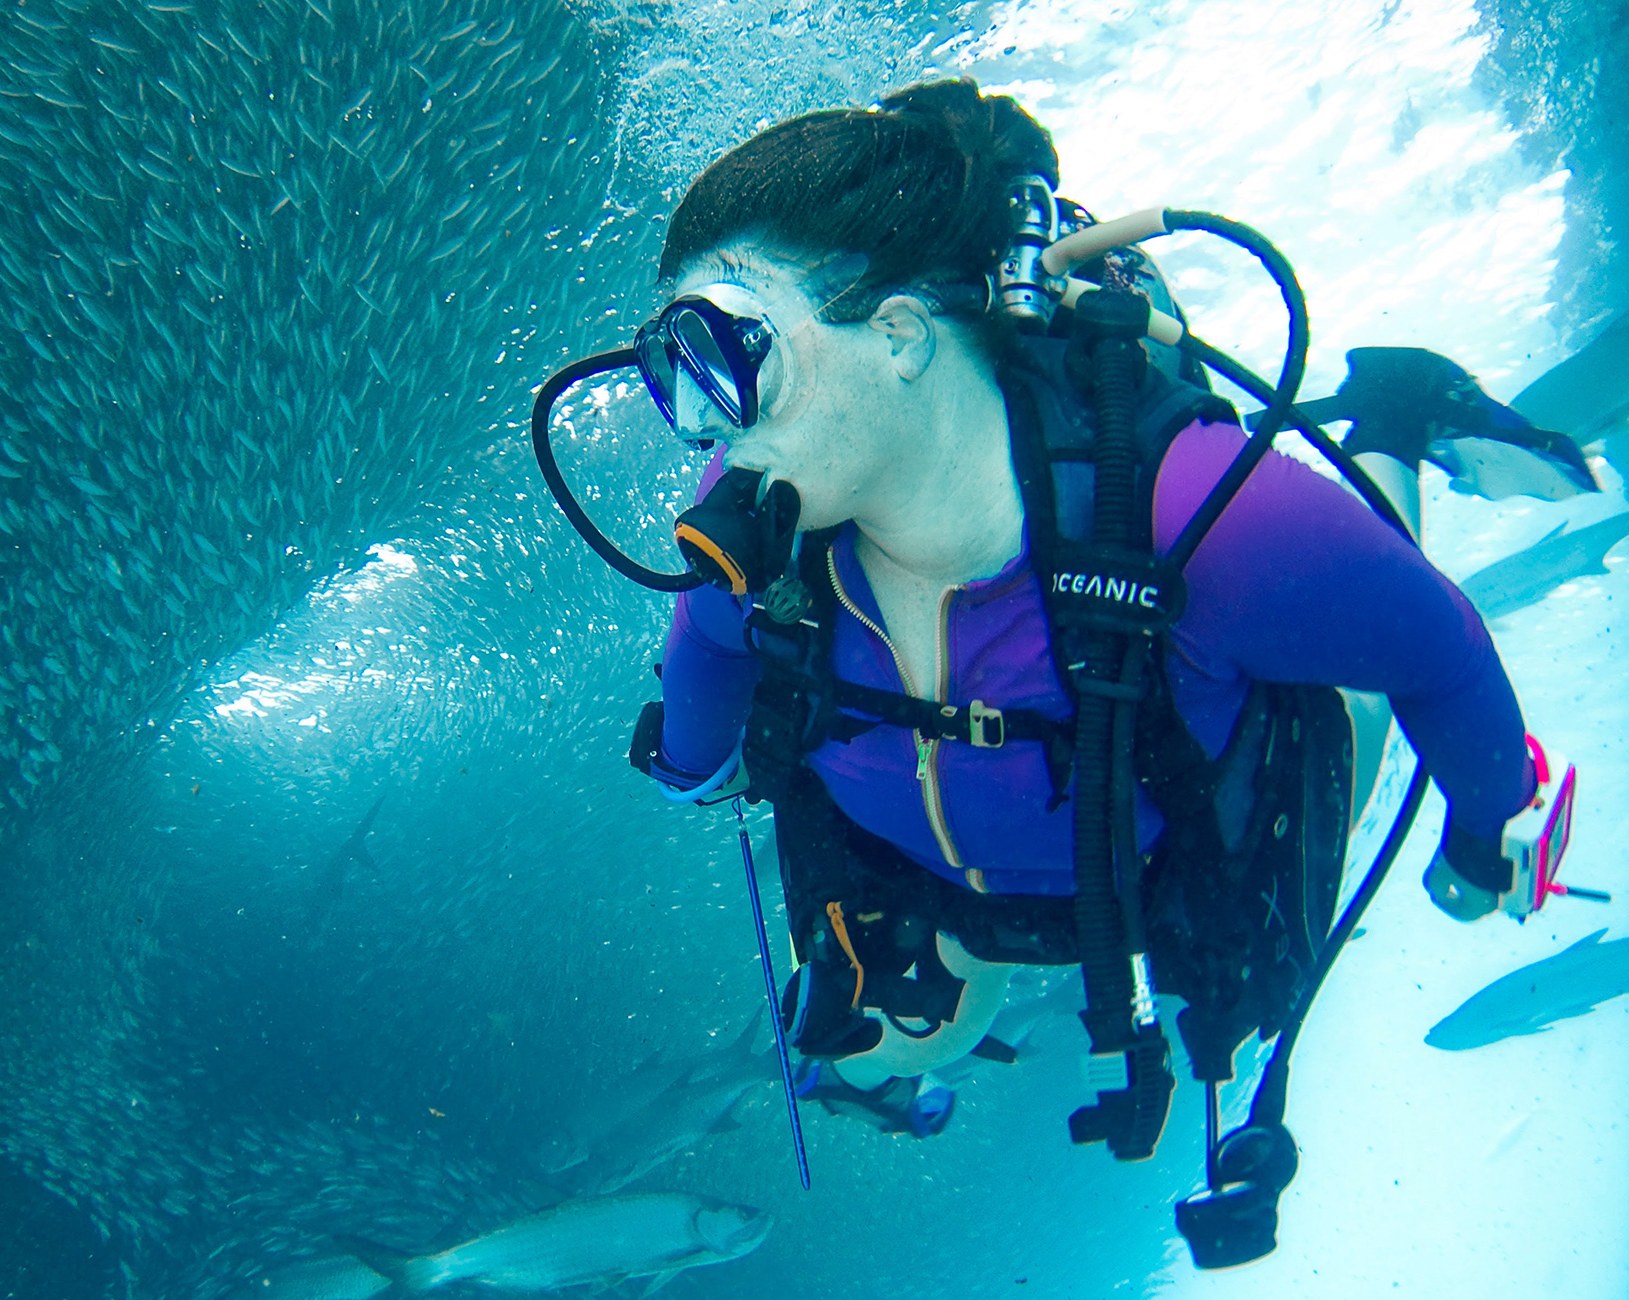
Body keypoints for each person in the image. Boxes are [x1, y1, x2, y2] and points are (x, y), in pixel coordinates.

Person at [612, 78, 1567, 1141]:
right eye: (675, 378)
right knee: (885, 1032)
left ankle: (1391, 418)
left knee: (1348, 718)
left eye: (731, 358)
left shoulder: (1197, 513)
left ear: (897, 332)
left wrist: (1483, 839)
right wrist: (689, 760)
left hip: (1171, 851)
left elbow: (1434, 645)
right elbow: (703, 637)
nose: (704, 430)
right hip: (946, 881)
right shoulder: (752, 514)